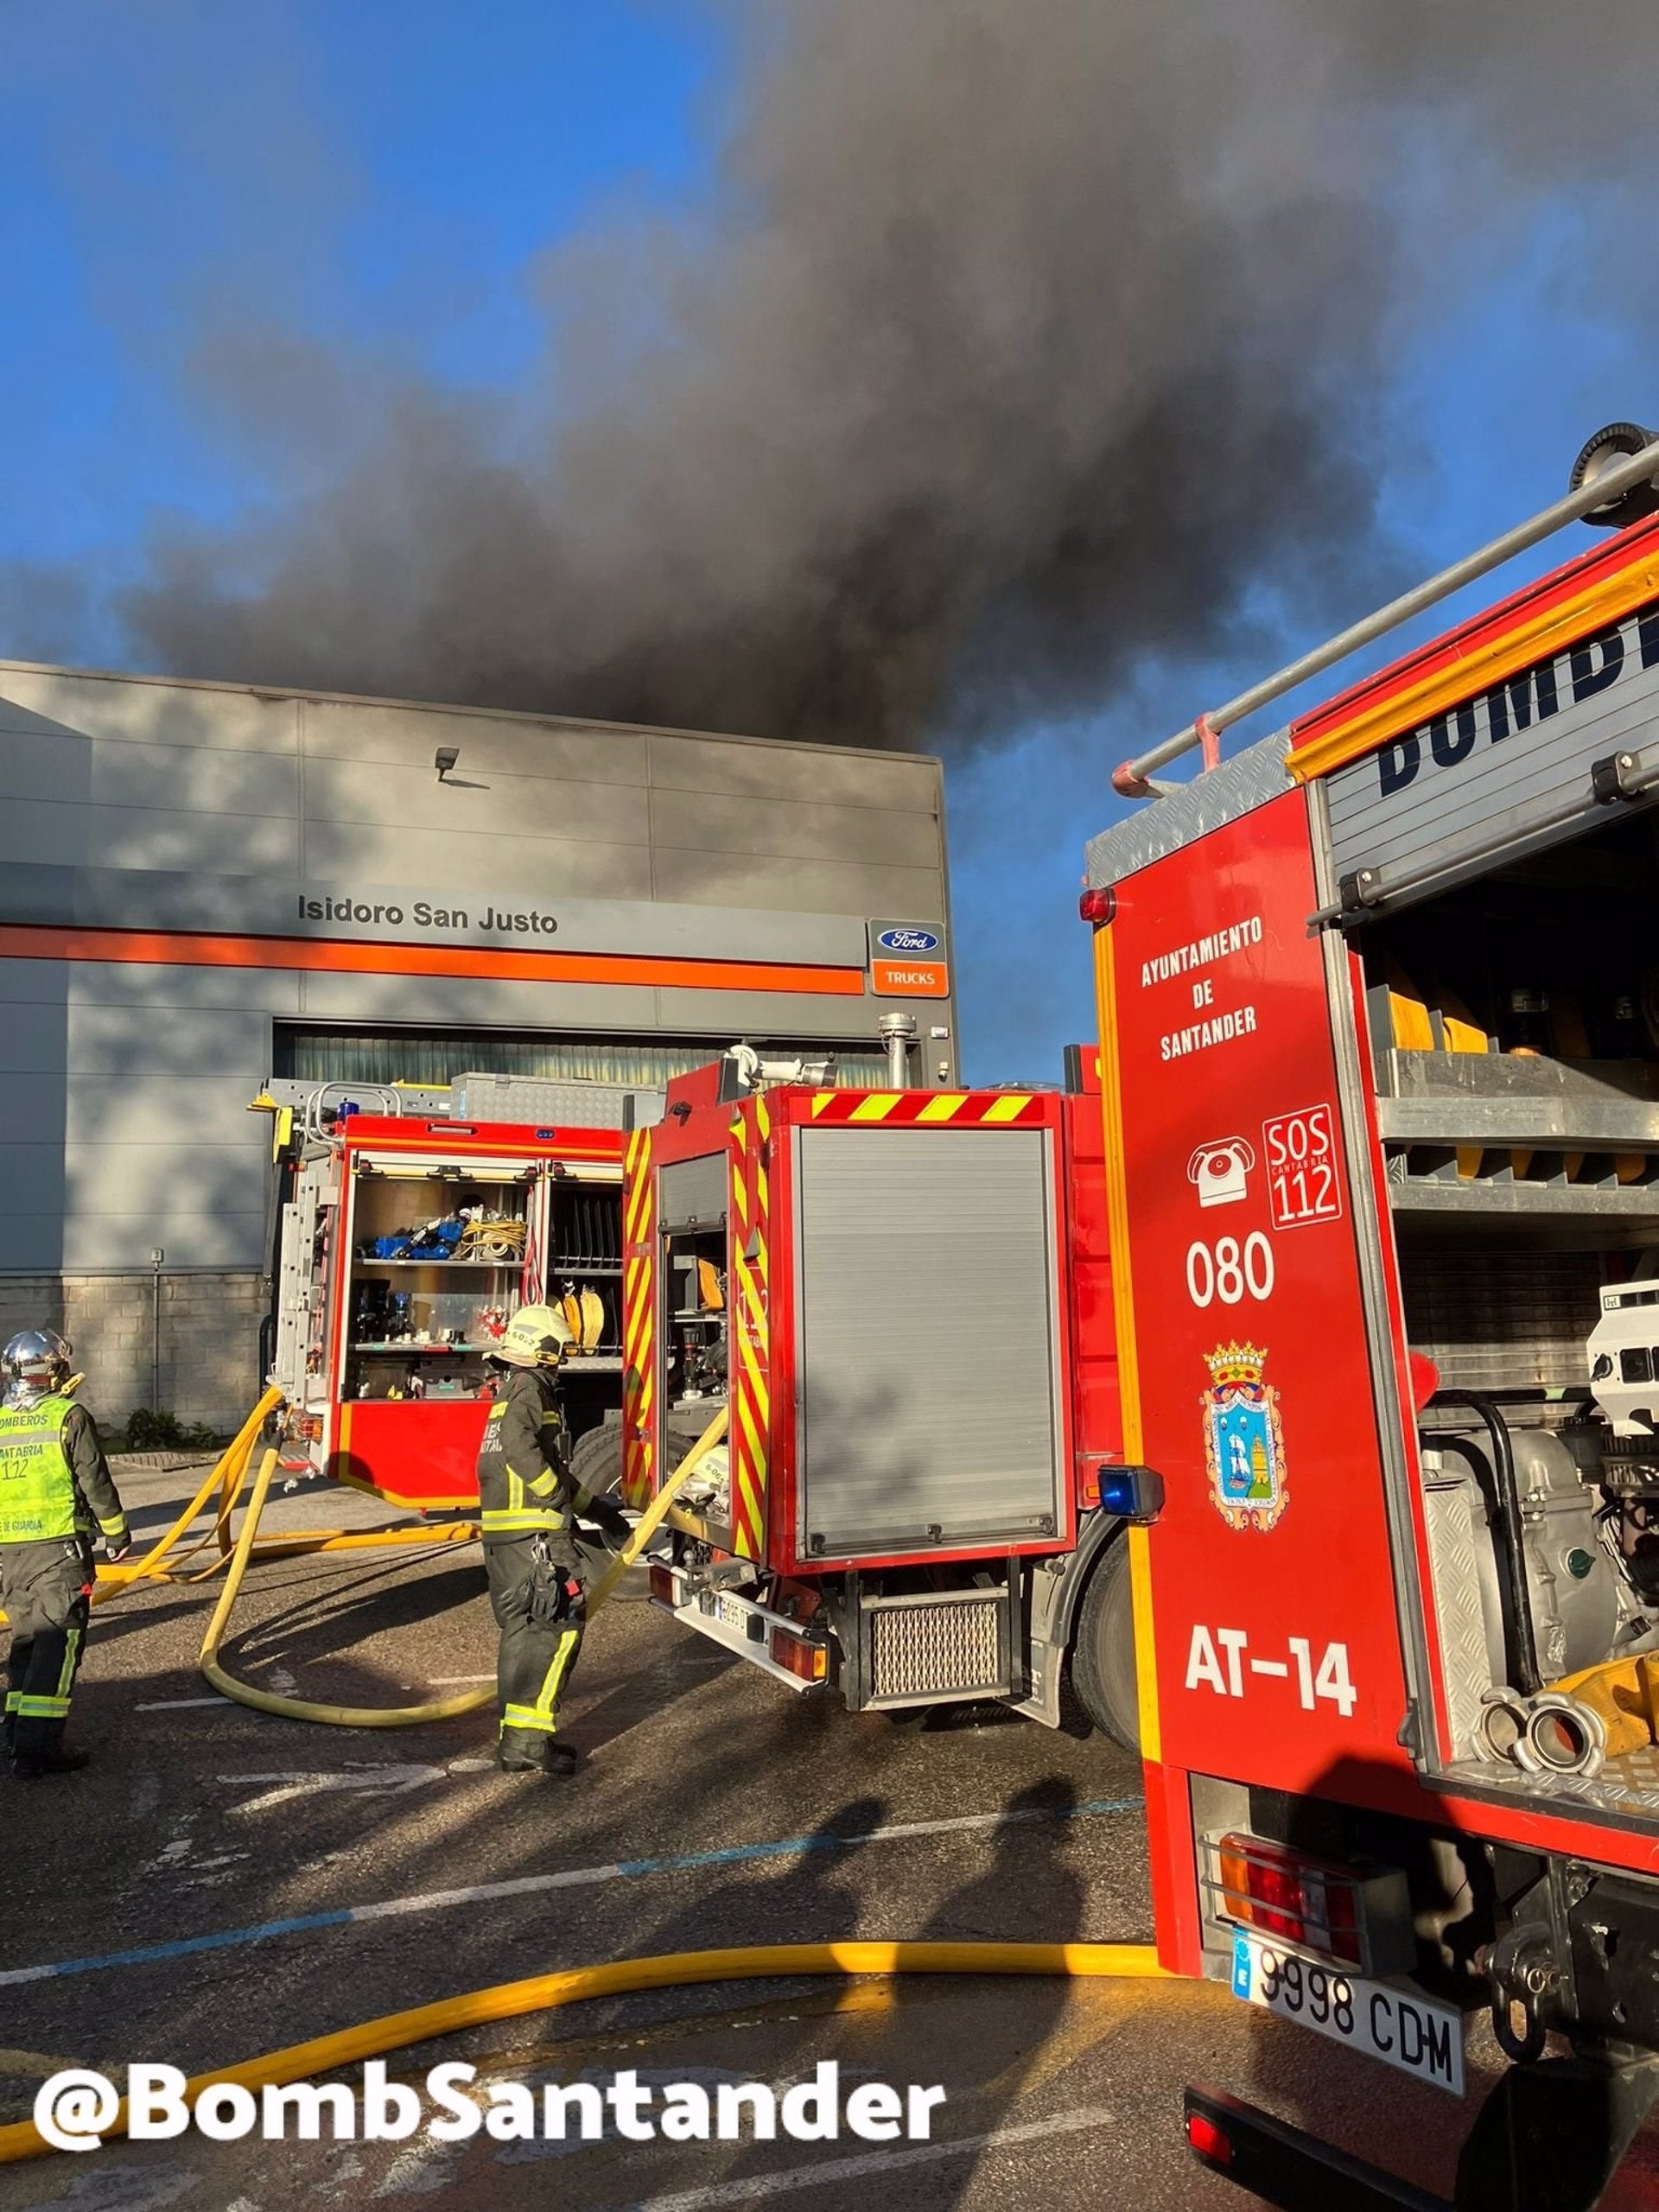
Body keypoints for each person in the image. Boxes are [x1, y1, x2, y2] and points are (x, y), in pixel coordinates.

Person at [477, 1304, 630, 1776]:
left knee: (526, 1635)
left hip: (511, 1542)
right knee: (555, 1631)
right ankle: (527, 1743)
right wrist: (553, 1501)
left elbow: (555, 1472)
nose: (561, 1361)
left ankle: (520, 1740)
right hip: (537, 1542)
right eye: (559, 1352)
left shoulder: (511, 1391)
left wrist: (599, 1510)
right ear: (542, 1352)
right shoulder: (528, 1391)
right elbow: (525, 1452)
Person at [0, 1329, 131, 1780]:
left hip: (11, 1555)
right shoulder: (68, 1417)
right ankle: (37, 1751)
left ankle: (15, 1729)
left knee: (26, 1642)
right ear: (52, 1371)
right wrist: (116, 1533)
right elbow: (94, 1479)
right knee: (58, 1645)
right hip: (58, 1552)